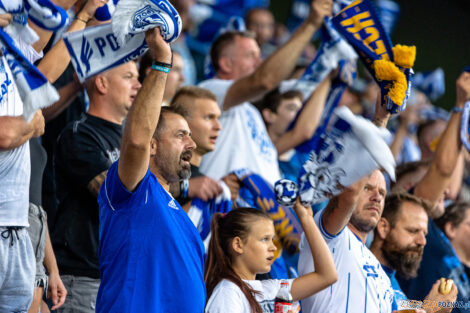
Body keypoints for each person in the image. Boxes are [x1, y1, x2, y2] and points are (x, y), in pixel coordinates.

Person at [96, 28, 206, 312]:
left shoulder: (177, 213)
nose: (192, 143)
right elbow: (135, 140)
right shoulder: (135, 190)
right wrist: (161, 63)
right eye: (181, 135)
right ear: (153, 146)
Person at [198, 0, 332, 186]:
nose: (259, 62)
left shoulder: (252, 114)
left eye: (260, 55)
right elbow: (264, 80)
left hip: (261, 211)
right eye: (250, 55)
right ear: (226, 63)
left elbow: (301, 133)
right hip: (221, 210)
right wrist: (310, 24)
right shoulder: (209, 91)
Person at [52, 60, 141, 312]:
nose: (139, 84)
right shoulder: (79, 134)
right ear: (101, 83)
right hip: (84, 279)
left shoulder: (131, 141)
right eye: (128, 77)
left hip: (120, 277)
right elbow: (115, 195)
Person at [205, 201, 337, 312]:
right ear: (238, 245)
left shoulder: (271, 289)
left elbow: (327, 275)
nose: (273, 247)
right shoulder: (227, 294)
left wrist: (306, 219)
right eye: (265, 239)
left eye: (272, 239)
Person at [298, 170, 396, 313]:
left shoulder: (382, 275)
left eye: (382, 193)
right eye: (367, 188)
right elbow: (348, 194)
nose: (377, 198)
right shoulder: (330, 234)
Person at [370, 192, 458, 312]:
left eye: (424, 234)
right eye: (413, 231)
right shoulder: (360, 272)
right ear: (383, 228)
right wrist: (429, 310)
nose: (422, 241)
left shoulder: (394, 286)